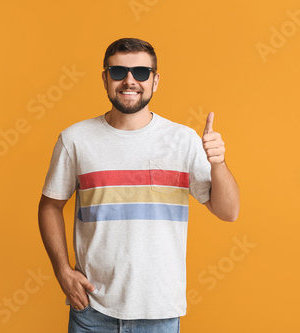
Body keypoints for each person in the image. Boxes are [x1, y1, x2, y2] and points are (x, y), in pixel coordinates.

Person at [38, 37, 240, 333]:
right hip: (91, 311)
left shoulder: (183, 140)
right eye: (119, 72)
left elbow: (229, 211)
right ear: (105, 78)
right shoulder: (75, 139)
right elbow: (50, 206)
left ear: (155, 81)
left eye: (141, 73)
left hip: (159, 313)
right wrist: (62, 271)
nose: (130, 80)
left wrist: (218, 163)